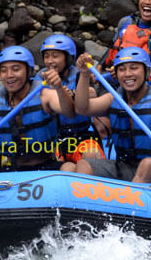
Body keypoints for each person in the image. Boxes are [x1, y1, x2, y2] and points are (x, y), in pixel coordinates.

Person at [61, 47, 151, 183]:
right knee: (84, 165)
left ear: (146, 71)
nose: (127, 74)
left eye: (134, 68)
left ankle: (133, 200)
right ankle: (85, 204)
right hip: (126, 166)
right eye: (122, 69)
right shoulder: (114, 99)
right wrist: (84, 74)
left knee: (147, 164)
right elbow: (82, 108)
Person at [37, 34, 107, 163]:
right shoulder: (40, 78)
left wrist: (74, 94)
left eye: (55, 56)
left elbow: (92, 93)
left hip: (82, 135)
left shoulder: (80, 74)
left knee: (92, 156)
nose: (50, 61)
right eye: (46, 56)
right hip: (55, 138)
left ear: (69, 58)